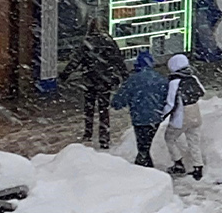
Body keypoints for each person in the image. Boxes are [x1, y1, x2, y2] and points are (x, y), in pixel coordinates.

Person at [59, 18, 126, 149]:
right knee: (104, 109)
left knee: (89, 108)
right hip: (105, 80)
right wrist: (124, 76)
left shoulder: (87, 43)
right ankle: (104, 138)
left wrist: (64, 75)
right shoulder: (109, 42)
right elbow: (118, 60)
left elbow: (75, 60)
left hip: (89, 80)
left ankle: (88, 133)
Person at [111, 51, 168, 168]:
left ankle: (144, 170)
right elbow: (168, 97)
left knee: (142, 146)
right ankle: (145, 166)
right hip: (156, 118)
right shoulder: (160, 79)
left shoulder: (133, 80)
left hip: (139, 118)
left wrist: (116, 103)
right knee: (146, 145)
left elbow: (119, 101)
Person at [162, 54, 206, 180]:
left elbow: (170, 103)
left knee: (169, 138)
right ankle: (198, 167)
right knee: (194, 141)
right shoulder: (193, 78)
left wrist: (162, 115)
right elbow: (202, 91)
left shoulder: (174, 82)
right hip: (196, 113)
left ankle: (178, 163)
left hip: (182, 115)